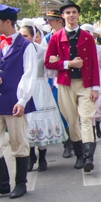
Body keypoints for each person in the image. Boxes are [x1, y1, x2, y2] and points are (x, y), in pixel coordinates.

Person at [0, 5, 38, 200]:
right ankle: (1, 183)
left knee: (18, 142)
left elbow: (29, 74)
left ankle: (20, 183)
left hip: (14, 100)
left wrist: (22, 100)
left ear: (8, 22)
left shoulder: (26, 46)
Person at [45, 0, 101, 172]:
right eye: (68, 13)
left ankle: (88, 157)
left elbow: (94, 63)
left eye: (74, 12)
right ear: (62, 16)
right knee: (71, 120)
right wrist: (68, 63)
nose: (71, 15)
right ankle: (79, 155)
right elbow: (48, 62)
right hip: (65, 84)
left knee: (86, 118)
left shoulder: (87, 37)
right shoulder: (56, 38)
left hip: (85, 83)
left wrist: (95, 88)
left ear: (78, 15)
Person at [19, 20, 67, 172]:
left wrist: (54, 62)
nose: (23, 39)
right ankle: (30, 156)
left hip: (39, 87)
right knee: (27, 122)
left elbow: (50, 72)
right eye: (21, 36)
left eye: (25, 35)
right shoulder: (17, 51)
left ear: (33, 36)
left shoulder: (41, 50)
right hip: (23, 88)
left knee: (40, 121)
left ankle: (42, 157)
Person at [44, 9, 74, 159]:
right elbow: (47, 61)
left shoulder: (70, 35)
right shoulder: (47, 38)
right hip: (53, 81)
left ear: (59, 21)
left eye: (51, 20)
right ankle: (67, 142)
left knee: (72, 113)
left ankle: (77, 140)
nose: (49, 23)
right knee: (61, 112)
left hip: (71, 78)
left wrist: (60, 61)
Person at [83, 24, 101, 139]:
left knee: (97, 106)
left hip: (98, 79)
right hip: (84, 80)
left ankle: (98, 124)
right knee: (87, 107)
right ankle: (91, 131)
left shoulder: (98, 49)